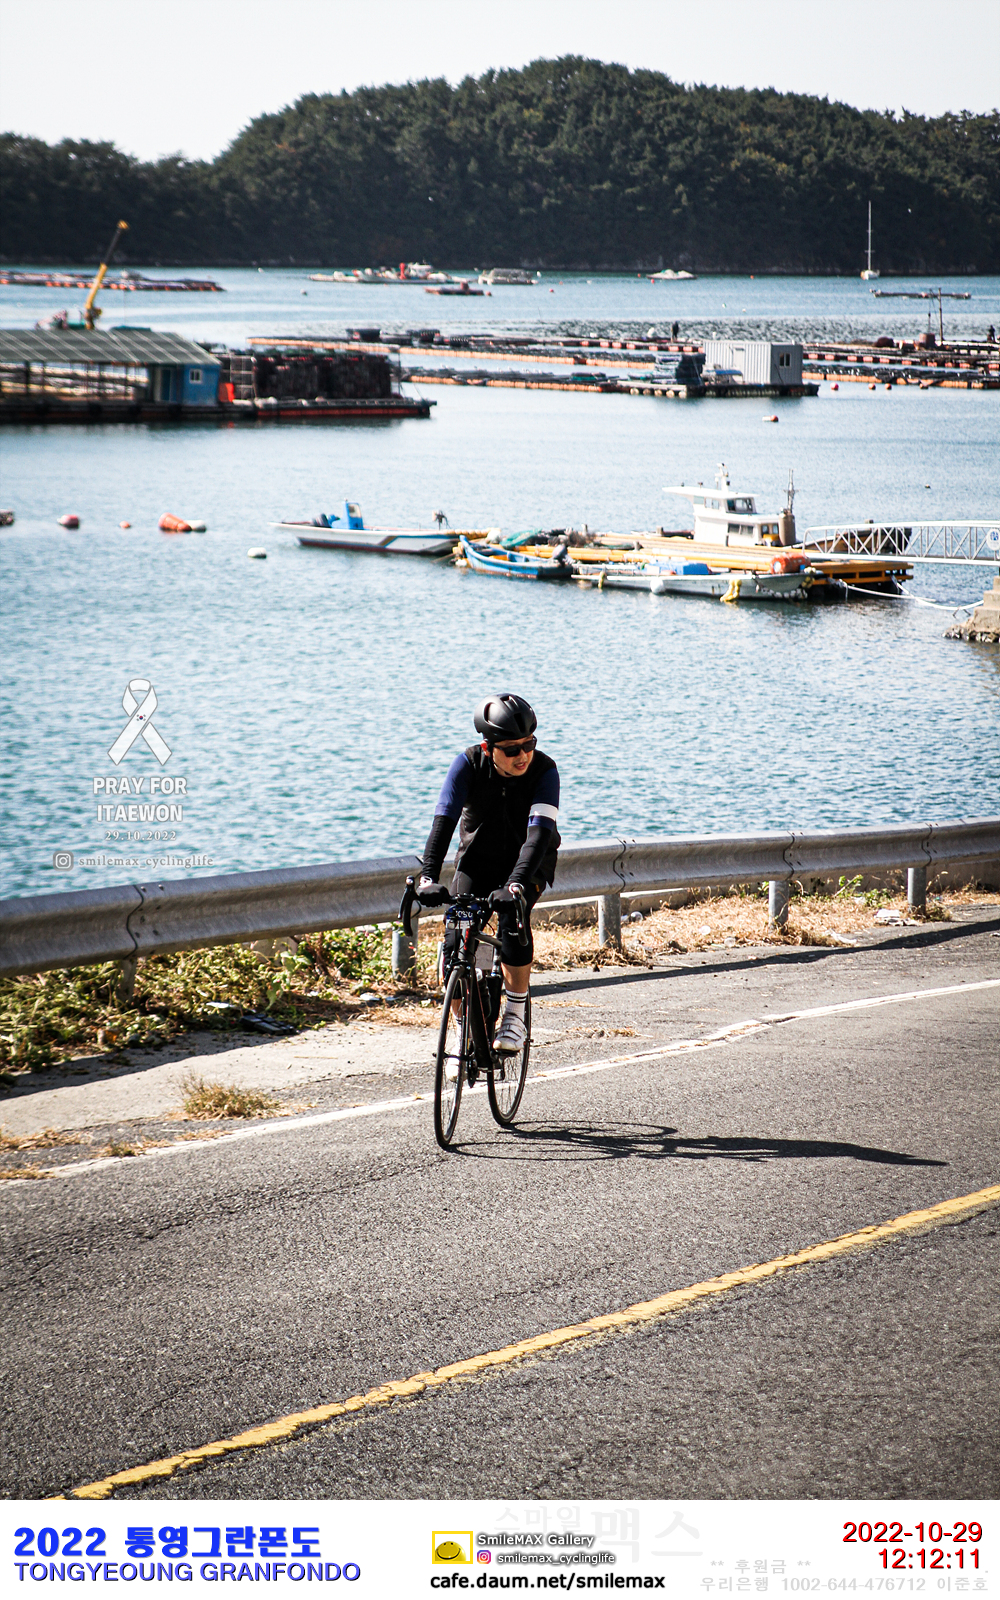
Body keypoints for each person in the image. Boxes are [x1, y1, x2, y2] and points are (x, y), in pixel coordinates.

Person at [416, 694, 560, 1054]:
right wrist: (427, 877)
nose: (522, 755)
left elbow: (538, 834)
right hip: (476, 862)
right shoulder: (467, 765)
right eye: (511, 749)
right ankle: (464, 1029)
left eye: (529, 744)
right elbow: (443, 823)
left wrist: (515, 884)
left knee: (513, 920)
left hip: (528, 863)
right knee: (455, 943)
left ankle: (514, 1014)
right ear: (488, 747)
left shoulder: (544, 771)